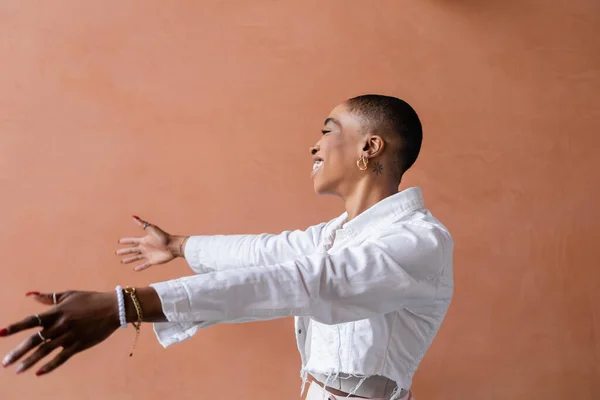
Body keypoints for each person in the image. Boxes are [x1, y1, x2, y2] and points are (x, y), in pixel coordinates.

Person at [0, 94, 453, 400]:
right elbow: (263, 254)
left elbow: (303, 283)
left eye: (328, 131)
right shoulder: (336, 235)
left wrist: (126, 305)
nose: (313, 144)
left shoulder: (417, 242)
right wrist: (177, 245)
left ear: (370, 147)